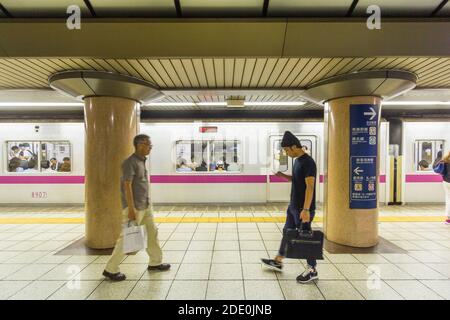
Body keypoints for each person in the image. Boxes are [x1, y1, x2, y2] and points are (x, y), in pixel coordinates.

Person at [103, 134, 170, 281]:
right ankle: (110, 269)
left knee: (152, 233)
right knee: (125, 238)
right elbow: (126, 185)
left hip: (145, 205)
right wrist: (131, 209)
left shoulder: (141, 162)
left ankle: (155, 262)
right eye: (148, 145)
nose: (150, 147)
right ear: (140, 145)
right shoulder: (130, 162)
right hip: (135, 208)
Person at [261, 131, 319, 283]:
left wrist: (306, 210)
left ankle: (312, 270)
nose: (287, 153)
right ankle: (278, 260)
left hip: (303, 209)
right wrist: (282, 175)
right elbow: (297, 180)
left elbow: (310, 187)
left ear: (294, 147)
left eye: (287, 150)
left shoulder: (308, 162)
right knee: (288, 233)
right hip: (293, 207)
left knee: (306, 239)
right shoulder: (297, 161)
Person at [433, 150, 450, 225]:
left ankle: (448, 219)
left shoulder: (445, 159)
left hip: (446, 181)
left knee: (448, 199)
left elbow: (437, 169)